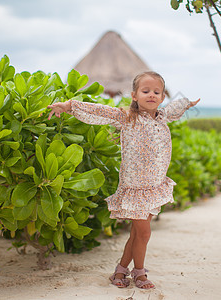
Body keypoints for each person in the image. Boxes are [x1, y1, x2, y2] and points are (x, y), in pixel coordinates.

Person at [47, 71, 200, 289]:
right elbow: (101, 111)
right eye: (145, 91)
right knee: (144, 232)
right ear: (134, 95)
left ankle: (120, 270)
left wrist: (186, 103)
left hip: (154, 186)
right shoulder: (127, 117)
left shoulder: (163, 117)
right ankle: (139, 274)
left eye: (156, 92)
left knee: (138, 233)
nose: (151, 95)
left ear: (162, 96)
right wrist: (69, 105)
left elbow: (174, 111)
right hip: (134, 188)